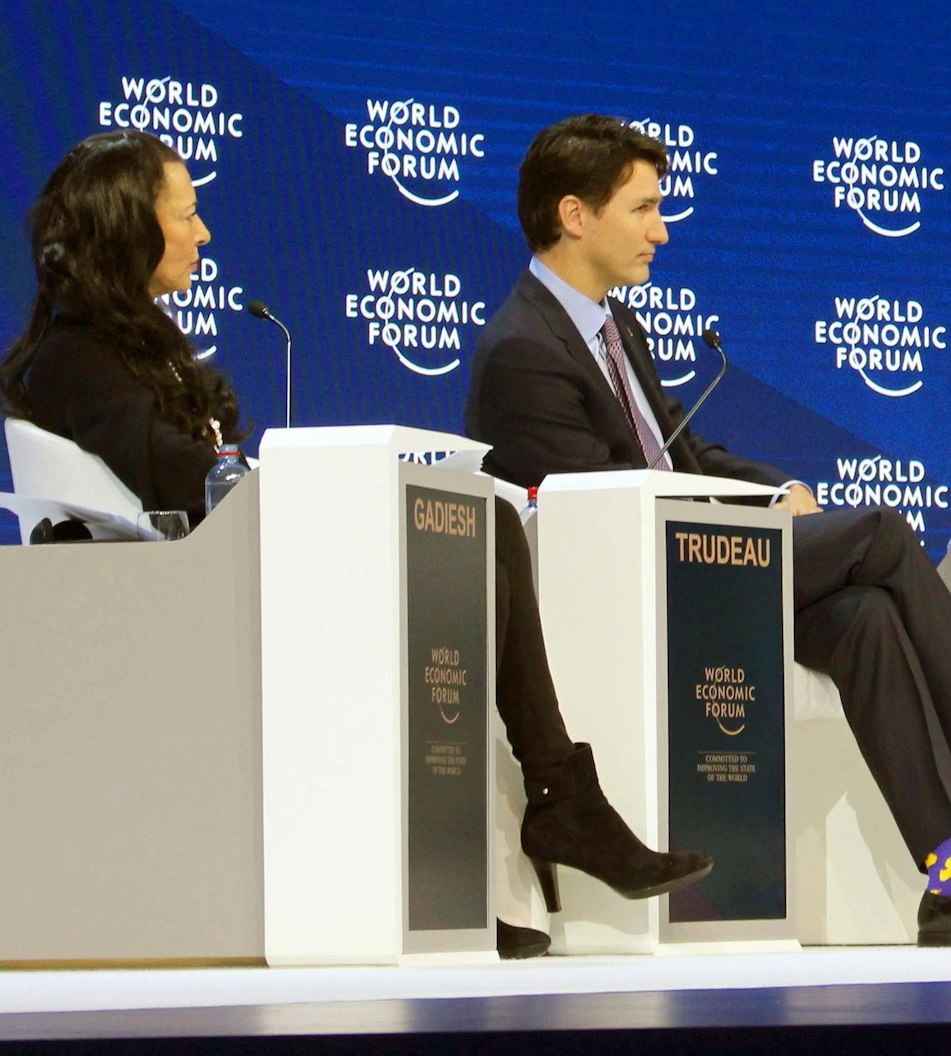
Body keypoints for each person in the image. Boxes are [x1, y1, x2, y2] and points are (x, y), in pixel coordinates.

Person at [464, 115, 951, 947]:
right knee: (878, 534)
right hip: (640, 584)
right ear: (575, 215)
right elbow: (601, 517)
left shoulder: (615, 326)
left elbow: (682, 455)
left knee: (866, 619)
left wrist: (780, 491)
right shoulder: (524, 348)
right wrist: (753, 523)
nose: (662, 230)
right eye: (644, 209)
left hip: (694, 555)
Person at [0, 130, 711, 960]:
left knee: (488, 528)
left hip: (225, 579)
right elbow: (176, 477)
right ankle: (552, 804)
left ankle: (516, 837)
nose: (204, 234)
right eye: (187, 215)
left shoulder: (139, 352)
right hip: (182, 609)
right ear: (129, 228)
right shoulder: (73, 359)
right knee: (479, 542)